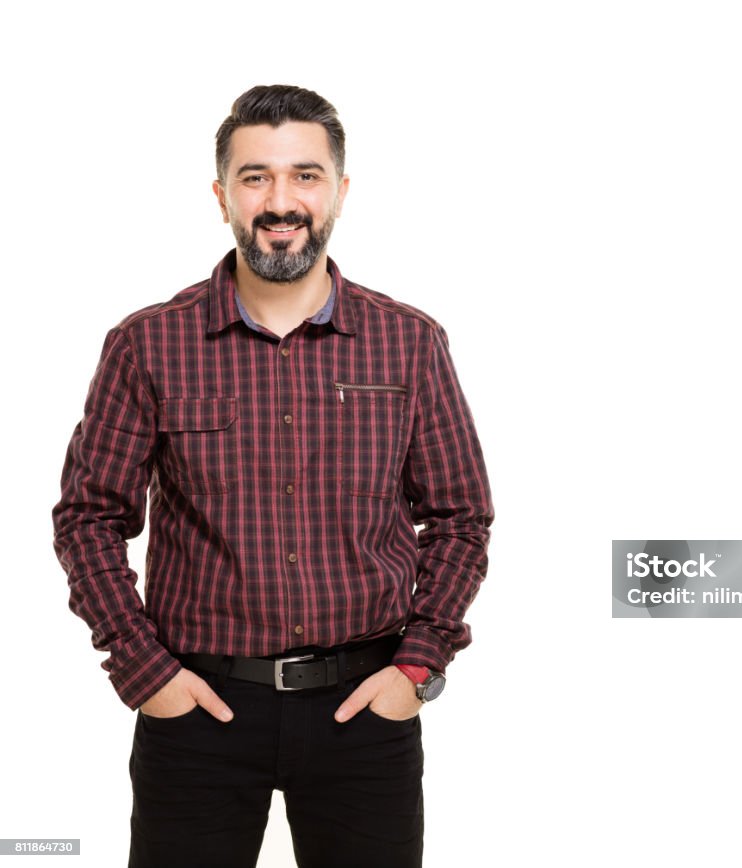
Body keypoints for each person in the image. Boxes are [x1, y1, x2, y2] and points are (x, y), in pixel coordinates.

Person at [51, 84, 494, 868]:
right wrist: (145, 672)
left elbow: (461, 517)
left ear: (340, 193)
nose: (281, 201)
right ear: (222, 195)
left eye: (305, 176)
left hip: (366, 710)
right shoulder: (148, 344)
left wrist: (417, 668)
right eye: (256, 177)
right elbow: (88, 518)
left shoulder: (409, 343)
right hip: (198, 712)